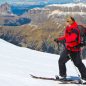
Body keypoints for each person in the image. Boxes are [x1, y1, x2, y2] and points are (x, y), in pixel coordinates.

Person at [54, 16, 86, 82]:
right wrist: (59, 39)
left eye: (67, 21)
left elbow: (72, 38)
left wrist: (65, 40)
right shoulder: (68, 28)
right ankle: (62, 76)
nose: (66, 22)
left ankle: (85, 77)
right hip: (68, 49)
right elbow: (66, 37)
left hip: (74, 50)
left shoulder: (75, 29)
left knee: (78, 64)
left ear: (71, 22)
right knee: (61, 61)